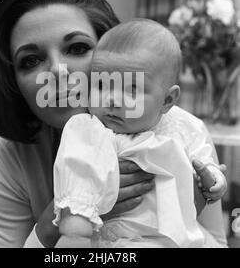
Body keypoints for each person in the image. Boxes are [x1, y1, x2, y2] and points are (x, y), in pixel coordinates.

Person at [0, 0, 228, 248]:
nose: (57, 72)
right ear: (13, 81)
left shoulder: (182, 132)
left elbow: (217, 241)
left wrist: (188, 207)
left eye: (77, 48)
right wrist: (61, 218)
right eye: (30, 60)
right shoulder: (10, 154)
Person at [53, 19, 227, 248]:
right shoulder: (92, 131)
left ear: (167, 100)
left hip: (186, 238)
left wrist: (213, 181)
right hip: (119, 241)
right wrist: (74, 235)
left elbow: (203, 163)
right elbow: (78, 176)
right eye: (102, 85)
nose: (112, 100)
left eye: (132, 89)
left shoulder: (184, 128)